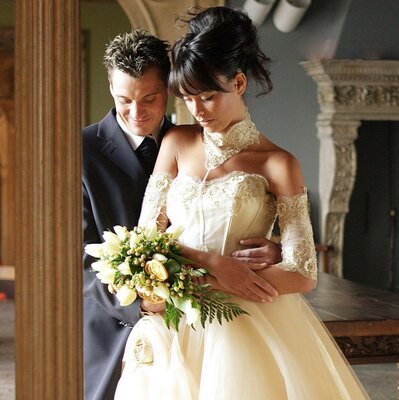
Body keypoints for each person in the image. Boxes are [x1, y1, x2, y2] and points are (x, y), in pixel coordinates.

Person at [114, 7, 369, 399]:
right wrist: (215, 266)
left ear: (238, 82)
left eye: (208, 96)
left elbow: (302, 272)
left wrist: (222, 279)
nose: (197, 110)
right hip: (175, 324)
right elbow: (148, 240)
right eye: (188, 98)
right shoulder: (176, 143)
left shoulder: (279, 164)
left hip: (248, 327)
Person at [82, 30, 282, 400]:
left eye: (150, 98)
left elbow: (234, 216)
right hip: (113, 331)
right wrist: (139, 301)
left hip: (206, 324)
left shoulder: (197, 139)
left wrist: (273, 248)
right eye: (123, 99)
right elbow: (73, 259)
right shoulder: (78, 151)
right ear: (110, 88)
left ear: (170, 89)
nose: (136, 112)